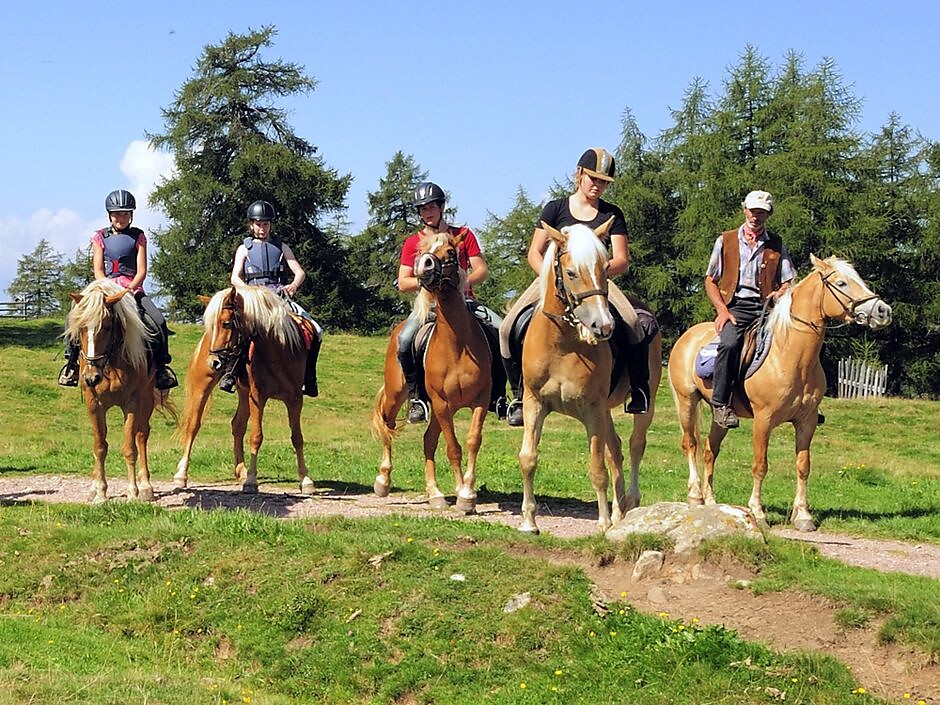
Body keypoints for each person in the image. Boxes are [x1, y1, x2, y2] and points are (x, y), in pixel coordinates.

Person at [498, 148, 656, 426]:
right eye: (593, 178)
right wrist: (549, 276)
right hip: (553, 280)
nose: (597, 185)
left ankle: (639, 390)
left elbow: (621, 258)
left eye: (604, 181)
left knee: (633, 323)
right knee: (508, 327)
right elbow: (535, 252)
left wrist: (596, 274)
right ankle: (519, 396)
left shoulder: (612, 214)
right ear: (579, 174)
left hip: (595, 283)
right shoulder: (555, 209)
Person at [397, 181, 505, 424]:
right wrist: (427, 280)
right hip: (429, 305)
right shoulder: (412, 243)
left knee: (501, 332)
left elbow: (482, 270)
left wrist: (461, 282)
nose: (427, 212)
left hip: (464, 301)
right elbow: (403, 282)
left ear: (442, 207)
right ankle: (417, 399)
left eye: (431, 207)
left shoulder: (462, 236)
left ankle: (500, 397)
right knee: (404, 341)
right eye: (422, 209)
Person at [58, 189, 178, 390]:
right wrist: (108, 289)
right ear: (109, 215)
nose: (120, 218)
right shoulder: (99, 237)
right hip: (104, 289)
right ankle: (71, 364)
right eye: (116, 214)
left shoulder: (138, 236)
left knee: (158, 321)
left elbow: (141, 271)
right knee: (73, 317)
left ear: (131, 215)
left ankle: (161, 368)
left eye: (125, 213)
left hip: (132, 290)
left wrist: (129, 289)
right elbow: (98, 270)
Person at [704, 190, 796, 429]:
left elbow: (788, 280)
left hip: (768, 306)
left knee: (798, 340)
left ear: (768, 215)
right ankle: (721, 403)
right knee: (730, 344)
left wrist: (781, 292)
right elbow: (710, 280)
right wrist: (722, 311)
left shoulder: (776, 243)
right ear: (745, 210)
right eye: (753, 211)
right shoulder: (726, 240)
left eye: (762, 213)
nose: (756, 217)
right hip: (736, 306)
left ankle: (804, 402)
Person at [222, 199, 322, 397]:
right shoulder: (244, 249)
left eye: (266, 224)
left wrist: (293, 285)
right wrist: (248, 291)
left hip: (278, 297)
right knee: (238, 331)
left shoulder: (282, 246)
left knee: (315, 329)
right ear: (251, 224)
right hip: (253, 299)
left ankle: (309, 377)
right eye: (258, 224)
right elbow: (235, 277)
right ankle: (230, 374)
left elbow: (299, 272)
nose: (262, 228)